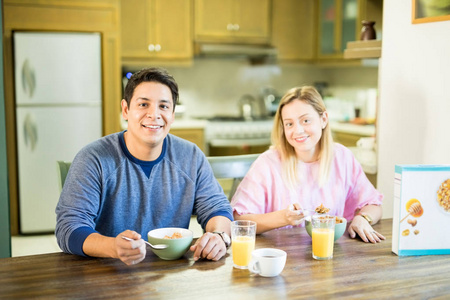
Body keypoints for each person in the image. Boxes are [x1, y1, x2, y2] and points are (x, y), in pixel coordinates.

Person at [56, 67, 233, 265]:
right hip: (106, 271)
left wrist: (219, 236)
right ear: (125, 109)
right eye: (143, 104)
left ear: (173, 114)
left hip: (169, 274)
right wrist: (113, 247)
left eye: (164, 106)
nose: (154, 114)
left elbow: (217, 208)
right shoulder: (93, 158)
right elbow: (69, 227)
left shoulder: (191, 156)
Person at [230, 86, 385, 243]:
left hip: (332, 253)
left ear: (323, 119)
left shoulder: (342, 157)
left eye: (305, 120)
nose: (298, 131)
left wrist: (363, 218)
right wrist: (283, 218)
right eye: (289, 124)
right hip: (281, 256)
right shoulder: (267, 164)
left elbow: (373, 204)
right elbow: (239, 220)